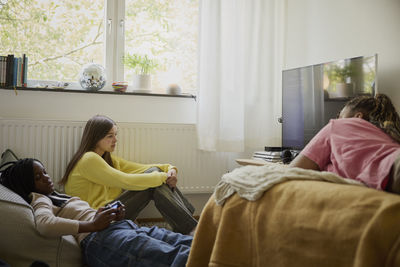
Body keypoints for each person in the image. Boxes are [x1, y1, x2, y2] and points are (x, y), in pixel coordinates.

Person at [0, 158, 192, 267]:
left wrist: (103, 214)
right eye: (38, 177)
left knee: (189, 243)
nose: (46, 178)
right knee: (176, 256)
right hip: (101, 239)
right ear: (27, 185)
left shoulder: (57, 196)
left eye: (45, 172)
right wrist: (92, 225)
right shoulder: (40, 199)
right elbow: (44, 225)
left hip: (121, 227)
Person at [60, 115, 197, 234]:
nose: (115, 140)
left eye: (115, 135)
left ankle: (190, 225)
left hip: (113, 211)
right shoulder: (88, 159)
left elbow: (143, 168)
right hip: (98, 217)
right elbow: (125, 181)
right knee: (152, 182)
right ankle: (191, 228)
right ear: (96, 138)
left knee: (153, 174)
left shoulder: (107, 159)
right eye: (110, 136)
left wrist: (170, 169)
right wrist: (163, 177)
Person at [290, 93, 400, 193]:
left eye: (340, 116)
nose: (336, 119)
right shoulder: (388, 135)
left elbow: (294, 170)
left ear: (358, 117)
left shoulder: (337, 126)